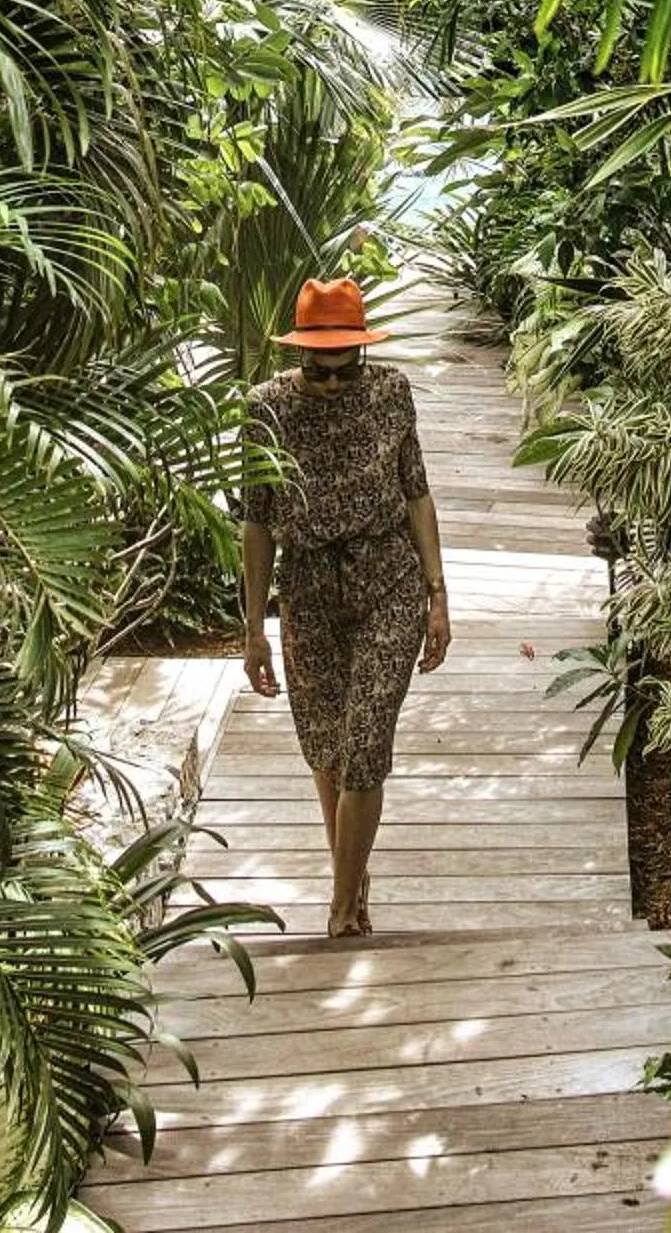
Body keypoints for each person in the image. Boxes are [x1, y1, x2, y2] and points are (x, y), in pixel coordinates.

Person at [239, 273, 450, 937]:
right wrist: (253, 629)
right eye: (317, 372)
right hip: (307, 592)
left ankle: (338, 906)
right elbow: (256, 522)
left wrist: (437, 595)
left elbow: (416, 491)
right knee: (326, 749)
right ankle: (353, 881)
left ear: (362, 355)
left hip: (387, 580)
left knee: (364, 745)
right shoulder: (266, 407)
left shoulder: (390, 393)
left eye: (343, 371)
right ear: (298, 355)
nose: (331, 385)